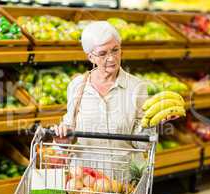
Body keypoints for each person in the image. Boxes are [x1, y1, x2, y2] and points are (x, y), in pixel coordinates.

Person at [52, 21, 150, 151]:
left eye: (115, 50)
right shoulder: (77, 86)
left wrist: (153, 123)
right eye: (103, 53)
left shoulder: (137, 87)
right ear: (91, 57)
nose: (111, 58)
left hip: (122, 169)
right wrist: (63, 140)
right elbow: (69, 131)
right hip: (85, 170)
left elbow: (143, 144)